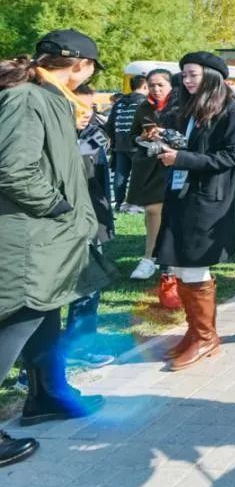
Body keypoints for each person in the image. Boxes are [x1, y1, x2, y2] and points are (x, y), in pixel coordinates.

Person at [0, 30, 110, 465]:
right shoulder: (28, 97)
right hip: (31, 237)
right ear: (81, 65)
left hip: (48, 237)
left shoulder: (49, 97)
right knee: (16, 321)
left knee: (46, 312)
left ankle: (47, 395)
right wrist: (60, 208)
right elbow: (12, 170)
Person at [152, 52, 235, 371]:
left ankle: (206, 339)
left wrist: (182, 160)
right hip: (182, 194)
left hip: (209, 200)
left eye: (193, 74)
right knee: (179, 266)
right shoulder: (189, 108)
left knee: (194, 266)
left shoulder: (231, 110)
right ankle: (195, 333)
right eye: (184, 74)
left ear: (211, 76)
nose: (187, 80)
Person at [64, 85, 117, 370]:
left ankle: (79, 346)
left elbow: (99, 181)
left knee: (89, 287)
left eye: (90, 108)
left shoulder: (93, 136)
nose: (86, 115)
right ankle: (33, 368)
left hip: (91, 219)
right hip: (61, 223)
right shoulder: (49, 138)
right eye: (78, 108)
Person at [127, 69, 175, 280]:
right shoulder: (143, 107)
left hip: (174, 163)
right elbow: (132, 136)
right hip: (148, 164)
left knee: (162, 212)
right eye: (151, 85)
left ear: (171, 85)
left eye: (160, 85)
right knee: (152, 211)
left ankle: (159, 258)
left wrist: (166, 135)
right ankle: (150, 258)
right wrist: (144, 136)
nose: (155, 89)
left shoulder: (181, 106)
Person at [105, 73, 147, 212]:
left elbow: (109, 125)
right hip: (139, 145)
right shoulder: (144, 102)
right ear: (145, 86)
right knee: (139, 175)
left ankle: (118, 203)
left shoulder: (119, 102)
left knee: (120, 176)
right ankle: (137, 204)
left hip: (120, 146)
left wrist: (115, 141)